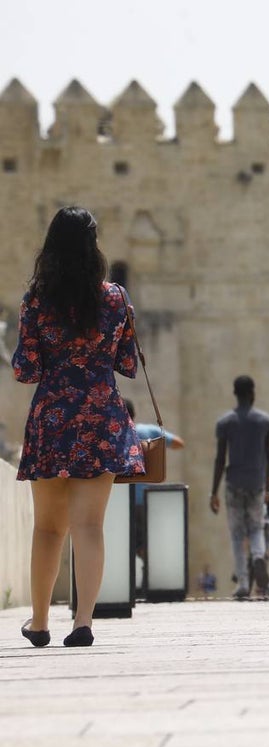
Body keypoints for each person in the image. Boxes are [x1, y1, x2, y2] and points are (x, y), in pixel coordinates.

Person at [13, 206, 145, 648]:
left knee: (48, 528)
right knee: (89, 525)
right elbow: (127, 363)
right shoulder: (115, 298)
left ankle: (38, 621)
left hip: (52, 418)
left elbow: (25, 369)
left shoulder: (36, 299)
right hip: (101, 416)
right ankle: (83, 621)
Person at [210, 375, 269, 600]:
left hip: (234, 483)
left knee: (237, 534)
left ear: (235, 394)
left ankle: (243, 583)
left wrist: (213, 492)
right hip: (257, 481)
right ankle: (259, 555)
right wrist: (266, 485)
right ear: (252, 393)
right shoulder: (265, 421)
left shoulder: (225, 422)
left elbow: (220, 458)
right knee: (256, 528)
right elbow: (268, 457)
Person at [125, 397, 185, 587]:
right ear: (134, 414)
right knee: (148, 542)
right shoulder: (147, 431)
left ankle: (126, 584)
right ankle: (148, 581)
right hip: (147, 499)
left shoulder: (116, 435)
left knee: (125, 541)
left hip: (121, 500)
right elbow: (179, 443)